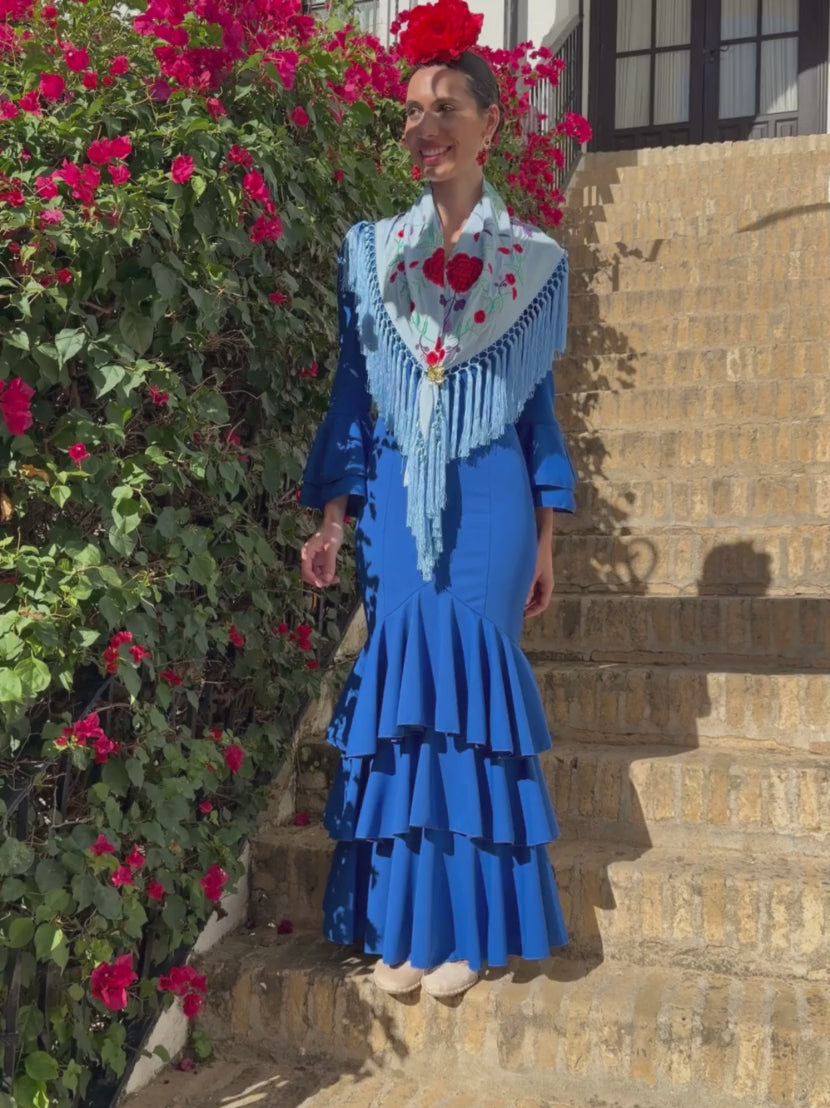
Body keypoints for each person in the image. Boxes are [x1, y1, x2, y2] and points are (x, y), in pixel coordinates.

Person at [299, 0, 576, 1000]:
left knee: (472, 707)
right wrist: (333, 517)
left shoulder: (534, 261)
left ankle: (469, 927)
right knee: (405, 706)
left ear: (490, 124)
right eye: (411, 110)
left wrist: (545, 538)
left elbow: (537, 410)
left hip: (494, 502)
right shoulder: (371, 251)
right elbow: (351, 389)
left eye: (444, 107)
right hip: (393, 495)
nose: (422, 127)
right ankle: (403, 928)